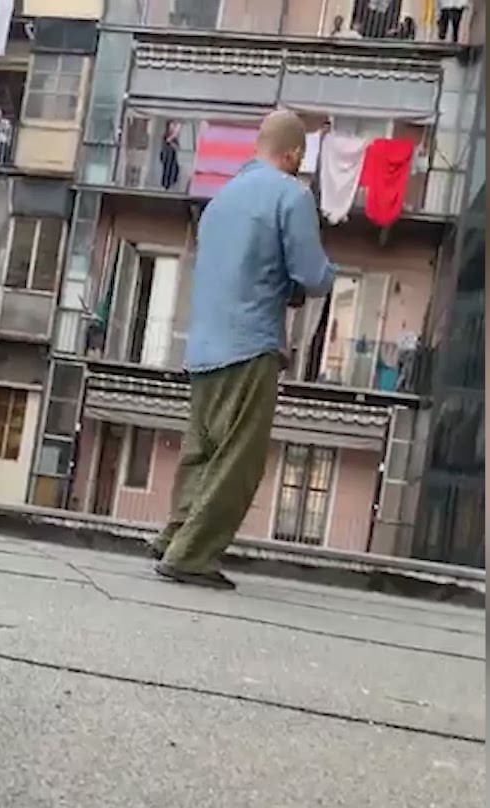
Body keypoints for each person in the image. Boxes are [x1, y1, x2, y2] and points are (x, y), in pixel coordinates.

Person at [150, 109, 336, 589]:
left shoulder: (220, 200)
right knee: (239, 458)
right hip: (250, 343)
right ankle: (190, 556)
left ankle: (174, 535)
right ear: (294, 154)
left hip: (204, 345)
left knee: (202, 450)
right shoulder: (291, 195)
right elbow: (313, 274)